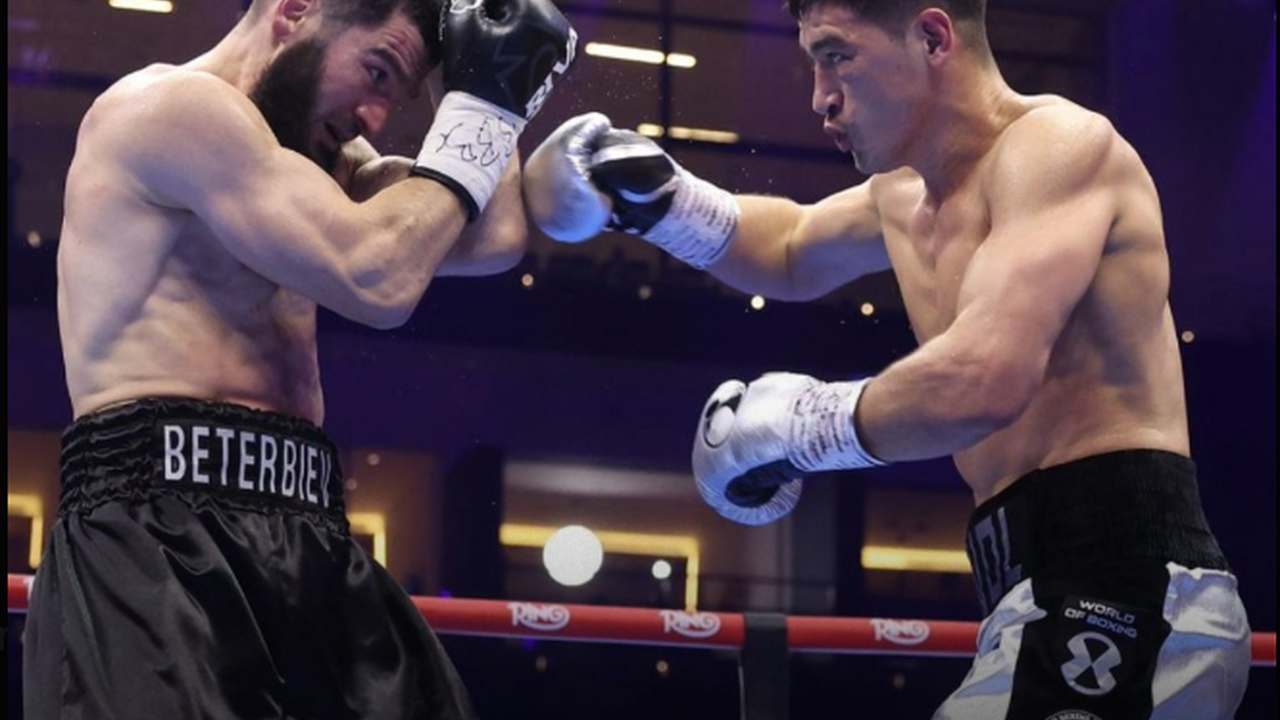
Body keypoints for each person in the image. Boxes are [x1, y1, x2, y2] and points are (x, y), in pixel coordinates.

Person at [521, 1, 1251, 717]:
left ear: (932, 38)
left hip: (1129, 587)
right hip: (1035, 597)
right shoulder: (903, 194)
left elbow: (983, 379)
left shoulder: (1057, 147)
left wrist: (794, 428)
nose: (820, 97)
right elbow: (789, 247)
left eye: (837, 56)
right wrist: (662, 203)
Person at [25, 0, 576, 717]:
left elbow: (491, 236)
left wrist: (479, 88)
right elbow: (377, 278)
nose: (376, 117)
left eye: (398, 93)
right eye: (377, 71)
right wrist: (483, 108)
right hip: (154, 537)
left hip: (307, 530)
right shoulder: (170, 108)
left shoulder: (321, 165)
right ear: (295, 10)